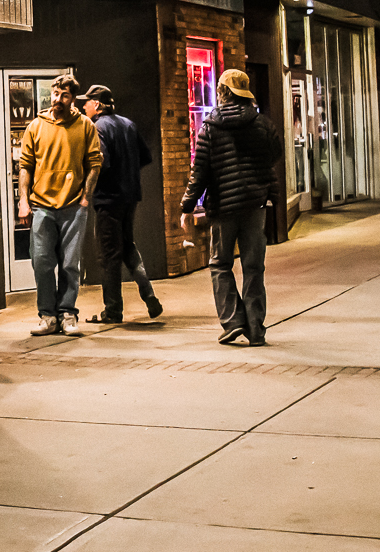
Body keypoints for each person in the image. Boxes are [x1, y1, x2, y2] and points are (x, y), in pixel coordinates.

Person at [182, 69, 282, 347]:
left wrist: (187, 205)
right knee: (253, 267)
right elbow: (274, 157)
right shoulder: (262, 124)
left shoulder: (210, 126)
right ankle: (256, 329)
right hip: (254, 205)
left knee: (220, 264)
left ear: (222, 92)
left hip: (223, 207)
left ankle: (233, 322)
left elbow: (199, 170)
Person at [17, 75, 103, 336]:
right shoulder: (35, 126)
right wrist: (23, 201)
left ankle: (67, 313)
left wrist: (85, 197)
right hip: (41, 205)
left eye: (64, 95)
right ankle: (47, 315)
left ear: (72, 98)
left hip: (73, 205)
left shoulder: (86, 126)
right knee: (41, 261)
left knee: (69, 263)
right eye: (55, 94)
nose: (57, 100)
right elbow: (25, 166)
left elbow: (94, 164)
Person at [82, 85, 164, 325]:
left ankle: (113, 310)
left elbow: (102, 163)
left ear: (97, 104)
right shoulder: (128, 124)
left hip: (108, 199)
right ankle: (148, 294)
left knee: (109, 256)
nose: (83, 106)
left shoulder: (98, 127)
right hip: (130, 198)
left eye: (86, 102)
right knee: (128, 246)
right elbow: (146, 157)